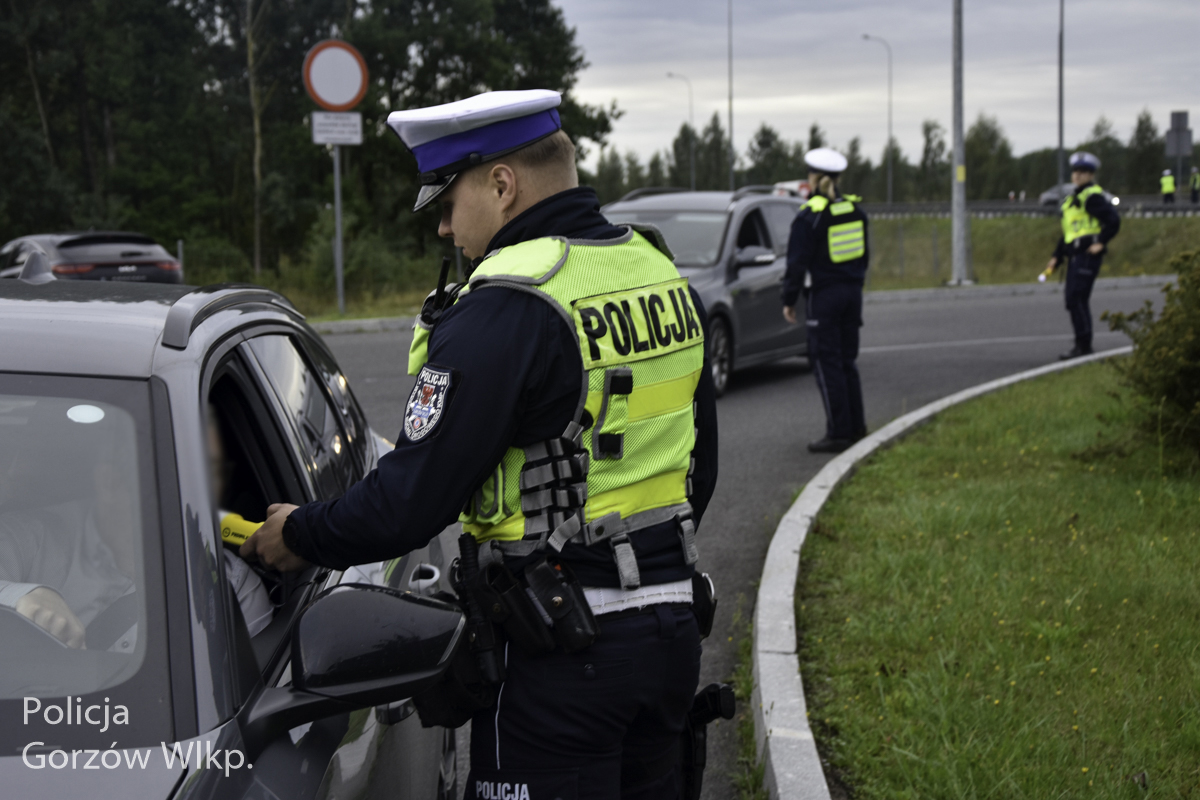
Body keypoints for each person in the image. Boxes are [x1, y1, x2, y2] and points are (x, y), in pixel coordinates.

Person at [239, 89, 719, 800]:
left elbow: (408, 503)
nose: (442, 228)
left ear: (502, 184)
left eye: (445, 202)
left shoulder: (510, 303)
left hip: (559, 656)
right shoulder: (656, 273)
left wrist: (298, 534)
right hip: (671, 635)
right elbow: (696, 471)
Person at [781, 147, 869, 454]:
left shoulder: (811, 216)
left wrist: (789, 299)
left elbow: (796, 264)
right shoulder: (855, 211)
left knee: (826, 365)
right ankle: (857, 427)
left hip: (824, 297)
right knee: (847, 362)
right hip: (852, 295)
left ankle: (838, 433)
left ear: (814, 178)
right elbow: (864, 257)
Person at [1044, 151, 1121, 360]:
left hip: (1087, 255)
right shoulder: (1072, 200)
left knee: (1076, 298)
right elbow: (1069, 233)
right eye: (1076, 171)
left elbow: (1113, 221)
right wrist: (1056, 256)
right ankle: (1082, 343)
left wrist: (1101, 242)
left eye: (1083, 172)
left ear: (1091, 175)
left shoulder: (1092, 197)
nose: (1078, 175)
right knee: (1074, 299)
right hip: (1075, 254)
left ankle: (1084, 345)